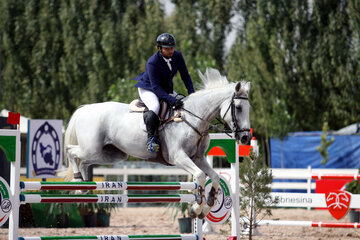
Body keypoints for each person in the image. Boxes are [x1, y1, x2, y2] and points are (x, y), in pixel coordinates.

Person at [134, 33, 195, 153]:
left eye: (172, 48)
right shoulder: (153, 62)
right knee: (155, 106)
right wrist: (172, 100)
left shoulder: (178, 56)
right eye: (167, 48)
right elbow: (156, 88)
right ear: (159, 48)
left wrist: (192, 94)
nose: (170, 51)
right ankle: (151, 139)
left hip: (165, 88)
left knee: (183, 104)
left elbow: (185, 76)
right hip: (149, 88)